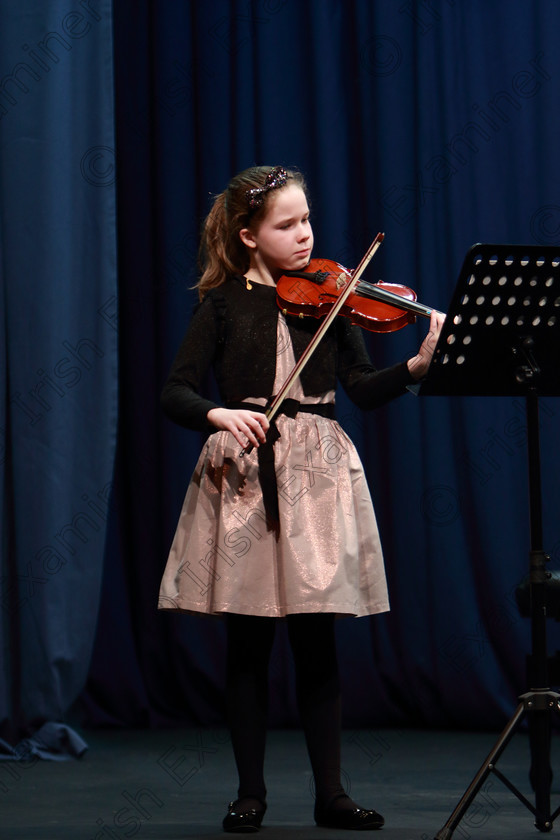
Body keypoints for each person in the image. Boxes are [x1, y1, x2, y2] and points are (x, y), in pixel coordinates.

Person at [158, 165, 444, 832]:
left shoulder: (335, 300)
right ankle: (250, 792)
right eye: (286, 225)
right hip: (248, 472)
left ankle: (331, 794)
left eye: (307, 221)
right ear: (249, 235)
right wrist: (219, 415)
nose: (304, 235)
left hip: (315, 473)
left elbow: (364, 388)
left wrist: (416, 369)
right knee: (250, 642)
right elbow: (175, 391)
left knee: (318, 642)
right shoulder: (223, 305)